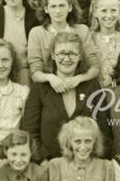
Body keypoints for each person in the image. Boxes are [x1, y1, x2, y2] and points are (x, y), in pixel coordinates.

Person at [21, 31, 112, 161]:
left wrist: (97, 161)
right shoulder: (40, 88)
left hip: (87, 164)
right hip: (49, 165)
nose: (67, 59)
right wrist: (42, 160)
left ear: (80, 56)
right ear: (53, 55)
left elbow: (103, 130)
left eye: (72, 54)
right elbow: (30, 131)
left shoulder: (92, 87)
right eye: (62, 53)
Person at [27, 0, 100, 89]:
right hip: (48, 88)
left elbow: (95, 67)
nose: (58, 11)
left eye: (62, 5)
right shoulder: (37, 33)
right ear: (46, 9)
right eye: (53, 6)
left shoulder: (82, 30)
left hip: (78, 86)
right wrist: (51, 78)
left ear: (70, 7)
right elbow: (35, 72)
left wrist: (78, 79)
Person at [89, 0, 120, 88]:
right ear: (95, 12)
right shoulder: (89, 38)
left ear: (119, 11)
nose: (109, 15)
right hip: (94, 93)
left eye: (113, 10)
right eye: (104, 11)